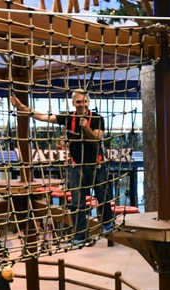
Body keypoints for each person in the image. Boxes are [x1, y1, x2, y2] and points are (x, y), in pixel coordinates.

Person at [10, 90, 106, 242]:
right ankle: (80, 235)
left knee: (102, 196)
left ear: (88, 102)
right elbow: (43, 117)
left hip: (96, 165)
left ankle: (107, 223)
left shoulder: (97, 119)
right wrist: (21, 107)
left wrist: (86, 128)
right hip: (76, 165)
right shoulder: (68, 118)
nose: (81, 105)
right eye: (78, 102)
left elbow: (96, 140)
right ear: (73, 103)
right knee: (77, 203)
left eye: (84, 101)